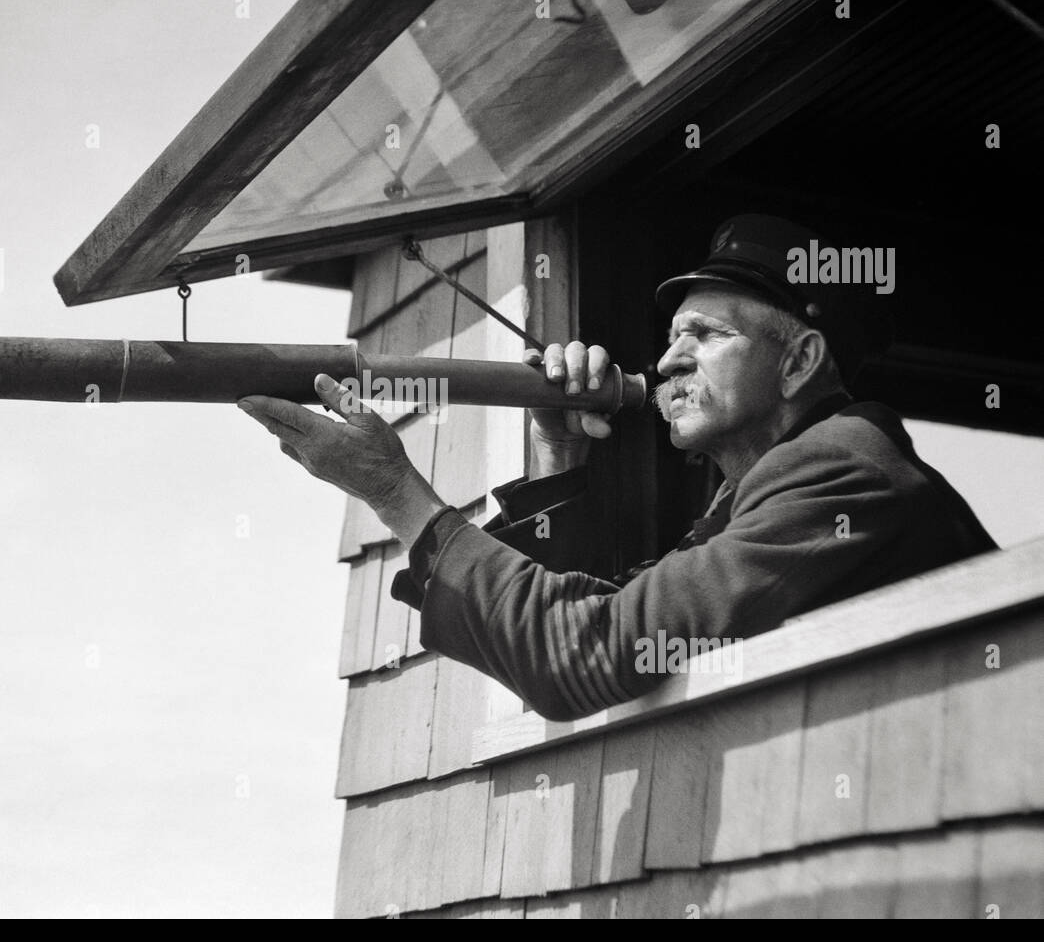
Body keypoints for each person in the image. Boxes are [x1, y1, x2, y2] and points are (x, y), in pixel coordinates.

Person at [238, 215, 996, 720]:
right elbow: (609, 612)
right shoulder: (746, 495)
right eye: (672, 334)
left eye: (706, 333)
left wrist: (395, 491)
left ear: (798, 361)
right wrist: (561, 455)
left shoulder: (841, 471)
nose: (669, 357)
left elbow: (589, 651)